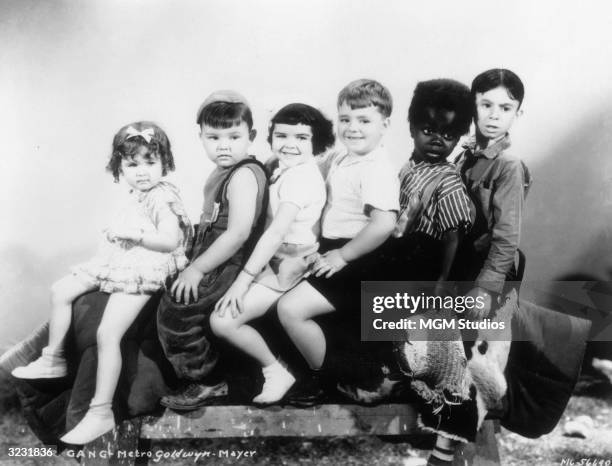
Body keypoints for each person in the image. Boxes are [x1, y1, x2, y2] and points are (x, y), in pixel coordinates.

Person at [12, 121, 192, 444]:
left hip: (148, 270)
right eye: (132, 164)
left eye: (150, 162)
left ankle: (100, 410)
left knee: (107, 333)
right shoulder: (138, 195)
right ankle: (52, 358)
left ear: (165, 163)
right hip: (125, 261)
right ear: (119, 166)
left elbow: (169, 239)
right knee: (60, 290)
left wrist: (131, 234)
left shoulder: (162, 196)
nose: (141, 172)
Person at [276, 79, 400, 405]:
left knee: (291, 310)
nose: (353, 128)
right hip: (336, 249)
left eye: (364, 120)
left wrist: (343, 256)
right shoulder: (345, 158)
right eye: (345, 119)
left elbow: (384, 223)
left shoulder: (377, 168)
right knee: (279, 290)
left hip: (361, 258)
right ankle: (312, 371)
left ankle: (329, 378)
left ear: (385, 125)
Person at [210, 103, 333, 405]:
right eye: (282, 135)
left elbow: (277, 232)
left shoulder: (302, 177)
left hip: (288, 265)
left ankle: (279, 371)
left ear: (316, 143)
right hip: (273, 259)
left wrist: (243, 281)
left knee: (223, 321)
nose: (290, 144)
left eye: (302, 138)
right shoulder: (281, 168)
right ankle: (271, 370)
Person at [157, 91, 269, 411]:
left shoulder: (244, 175)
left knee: (178, 308)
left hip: (228, 262)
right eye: (214, 137)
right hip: (214, 255)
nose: (223, 145)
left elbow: (237, 234)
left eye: (234, 136)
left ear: (252, 137)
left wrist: (196, 269)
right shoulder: (222, 171)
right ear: (201, 137)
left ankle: (207, 380)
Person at [451, 68, 527, 315]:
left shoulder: (509, 165)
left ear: (518, 113)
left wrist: (486, 288)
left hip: (488, 271)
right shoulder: (462, 157)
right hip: (459, 262)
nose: (494, 116)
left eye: (505, 108)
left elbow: (506, 235)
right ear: (472, 108)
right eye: (486, 105)